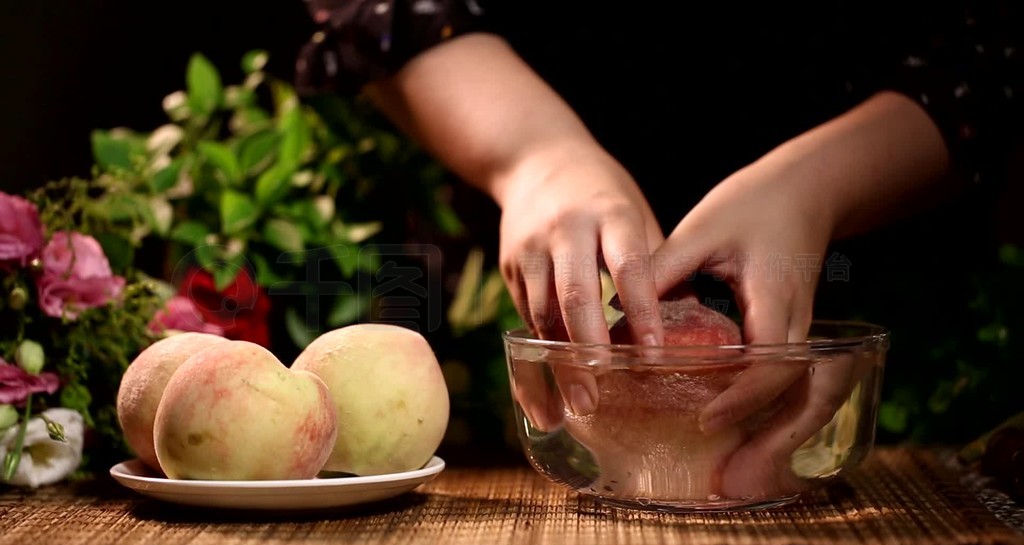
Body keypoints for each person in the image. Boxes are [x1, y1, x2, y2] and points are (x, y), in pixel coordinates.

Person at [295, 2, 1020, 427]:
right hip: (530, 329)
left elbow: (995, 55)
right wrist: (535, 154)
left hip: (909, 358)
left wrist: (820, 186)